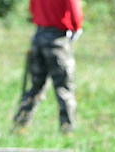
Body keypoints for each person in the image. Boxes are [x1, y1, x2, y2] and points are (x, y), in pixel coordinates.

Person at [12, 0, 83, 133]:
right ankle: (67, 129)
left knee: (36, 85)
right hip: (57, 40)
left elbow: (32, 9)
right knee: (64, 87)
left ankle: (20, 124)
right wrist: (76, 27)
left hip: (38, 37)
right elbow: (74, 11)